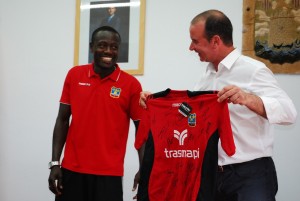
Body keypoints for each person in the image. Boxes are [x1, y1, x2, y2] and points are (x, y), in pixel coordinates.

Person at [139, 9, 297, 201]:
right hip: (210, 175)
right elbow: (190, 115)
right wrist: (155, 102)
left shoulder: (254, 70)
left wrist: (248, 99)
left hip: (250, 175)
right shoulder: (205, 77)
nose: (191, 47)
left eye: (195, 41)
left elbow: (289, 113)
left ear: (215, 41)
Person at [48, 26, 143, 201]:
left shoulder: (131, 85)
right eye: (102, 45)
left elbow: (142, 129)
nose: (108, 51)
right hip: (71, 171)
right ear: (91, 47)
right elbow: (62, 120)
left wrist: (144, 169)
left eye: (114, 47)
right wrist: (55, 163)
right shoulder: (74, 75)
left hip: (109, 175)